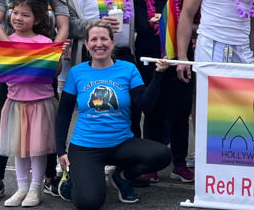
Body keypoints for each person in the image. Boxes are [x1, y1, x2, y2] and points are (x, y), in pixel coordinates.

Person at [0, 0, 70, 202]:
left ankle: (48, 179)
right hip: (12, 68)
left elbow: (63, 27)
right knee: (5, 123)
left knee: (45, 124)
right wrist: (16, 53)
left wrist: (51, 53)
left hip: (43, 68)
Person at [56, 22, 171, 208]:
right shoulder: (77, 72)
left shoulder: (128, 69)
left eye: (104, 38)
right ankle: (71, 180)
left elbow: (144, 105)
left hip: (121, 143)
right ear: (86, 44)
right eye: (93, 39)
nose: (99, 43)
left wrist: (158, 76)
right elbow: (63, 113)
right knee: (89, 203)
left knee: (163, 155)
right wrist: (61, 150)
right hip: (86, 147)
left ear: (112, 42)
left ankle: (122, 176)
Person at [0, 0, 63, 208]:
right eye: (15, 13)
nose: (18, 18)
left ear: (37, 20)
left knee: (38, 149)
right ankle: (21, 188)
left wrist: (56, 58)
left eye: (25, 14)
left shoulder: (45, 43)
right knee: (19, 148)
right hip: (16, 103)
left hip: (40, 103)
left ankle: (35, 189)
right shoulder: (6, 42)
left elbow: (54, 73)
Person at [130, 0, 193, 184]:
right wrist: (156, 22)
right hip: (150, 65)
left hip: (178, 63)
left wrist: (169, 22)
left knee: (179, 114)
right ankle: (152, 165)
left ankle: (179, 164)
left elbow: (193, 24)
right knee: (153, 114)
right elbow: (140, 27)